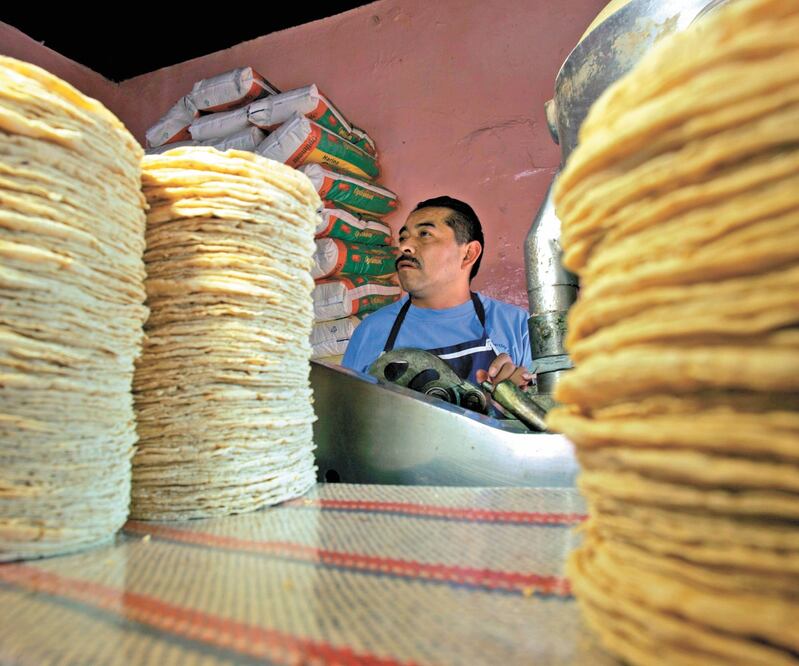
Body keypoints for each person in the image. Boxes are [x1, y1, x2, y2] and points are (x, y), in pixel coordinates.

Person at [342, 196, 533, 389]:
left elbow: (549, 411)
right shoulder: (371, 330)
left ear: (468, 254)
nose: (403, 246)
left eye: (424, 234)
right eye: (403, 237)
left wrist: (521, 398)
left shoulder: (519, 328)